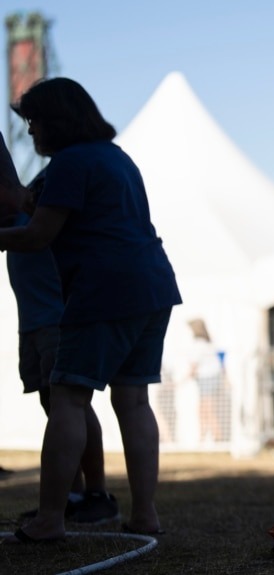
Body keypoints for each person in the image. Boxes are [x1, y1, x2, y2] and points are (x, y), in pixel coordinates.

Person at [0, 77, 181, 542]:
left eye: (35, 122)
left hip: (104, 291)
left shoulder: (70, 162)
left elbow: (38, 236)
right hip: (154, 286)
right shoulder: (116, 159)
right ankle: (145, 515)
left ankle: (50, 519)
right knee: (133, 400)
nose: (30, 133)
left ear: (57, 121)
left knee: (66, 399)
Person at [8, 169, 118, 524]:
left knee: (73, 403)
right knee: (51, 403)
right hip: (33, 323)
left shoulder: (47, 205)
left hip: (59, 318)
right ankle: (72, 493)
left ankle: (98, 493)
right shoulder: (17, 211)